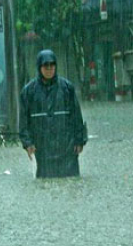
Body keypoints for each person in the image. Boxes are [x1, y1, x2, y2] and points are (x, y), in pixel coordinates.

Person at [19, 49, 87, 178]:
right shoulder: (28, 92)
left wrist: (79, 140)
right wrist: (28, 143)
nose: (49, 69)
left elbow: (76, 116)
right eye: (45, 65)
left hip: (66, 148)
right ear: (40, 67)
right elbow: (23, 121)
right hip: (42, 149)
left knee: (70, 182)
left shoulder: (67, 88)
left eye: (52, 65)